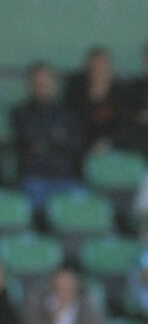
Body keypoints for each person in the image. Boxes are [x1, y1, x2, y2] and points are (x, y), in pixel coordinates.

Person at [11, 63, 85, 212]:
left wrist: (48, 143)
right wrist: (56, 140)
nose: (41, 88)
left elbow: (74, 144)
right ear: (30, 85)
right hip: (34, 179)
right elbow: (28, 141)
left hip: (65, 178)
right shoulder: (20, 112)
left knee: (83, 205)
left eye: (45, 83)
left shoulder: (67, 113)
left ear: (53, 84)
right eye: (37, 84)